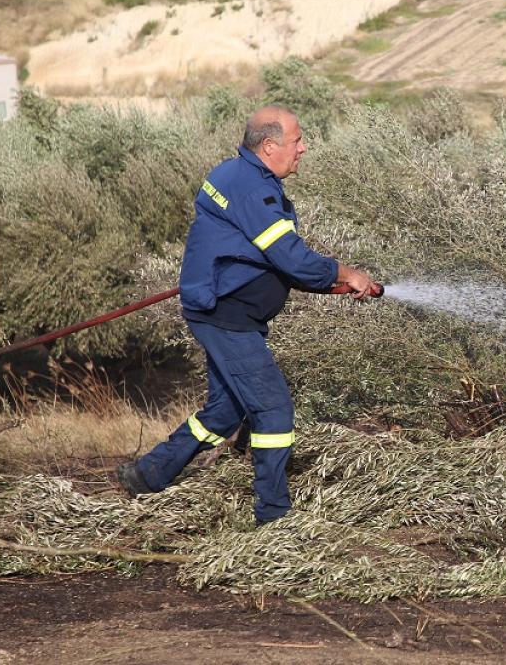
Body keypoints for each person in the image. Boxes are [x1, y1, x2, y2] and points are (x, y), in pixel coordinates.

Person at [116, 106, 377, 526]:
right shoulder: (253, 188)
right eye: (297, 140)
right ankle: (274, 517)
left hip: (221, 308)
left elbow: (275, 263)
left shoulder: (236, 175)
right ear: (270, 146)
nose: (304, 148)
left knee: (223, 413)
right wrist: (346, 273)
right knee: (273, 412)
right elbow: (290, 257)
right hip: (227, 315)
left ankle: (148, 474)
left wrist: (333, 284)